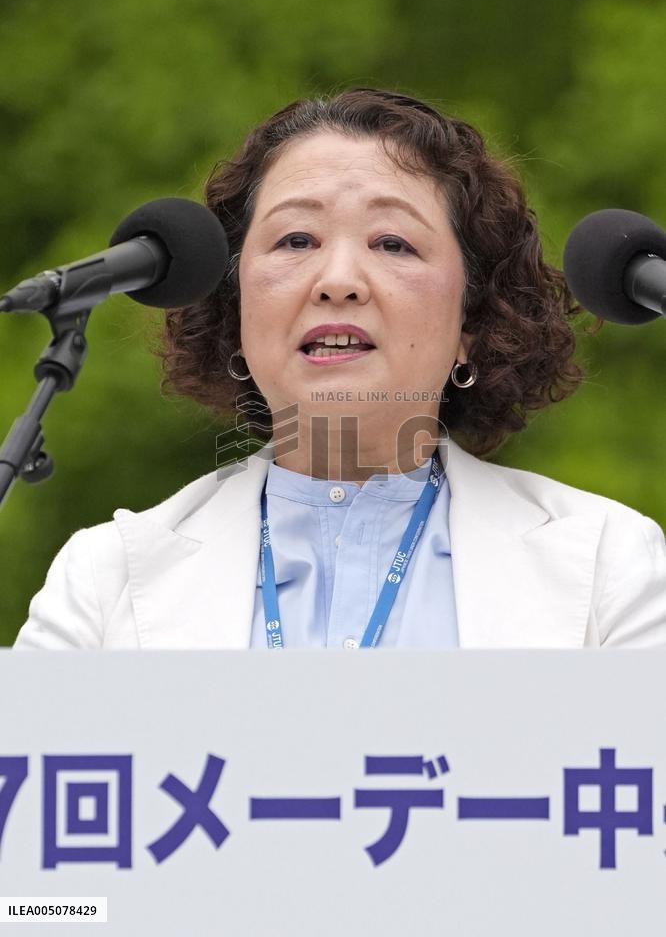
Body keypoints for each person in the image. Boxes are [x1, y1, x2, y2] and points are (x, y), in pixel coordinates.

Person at [13, 88, 666, 650]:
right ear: (236, 307)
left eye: (392, 243)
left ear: (471, 322)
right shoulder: (109, 579)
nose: (339, 280)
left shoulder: (608, 566)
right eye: (296, 240)